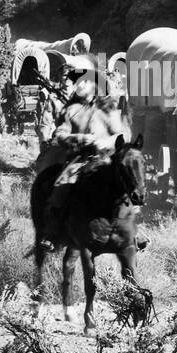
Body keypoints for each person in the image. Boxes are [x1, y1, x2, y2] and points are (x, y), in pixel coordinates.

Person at [39, 69, 123, 251]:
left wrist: (106, 141)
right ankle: (53, 233)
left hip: (106, 158)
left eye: (83, 82)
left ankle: (131, 232)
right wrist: (80, 139)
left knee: (125, 183)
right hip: (80, 159)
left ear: (93, 85)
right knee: (62, 185)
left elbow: (121, 134)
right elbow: (59, 135)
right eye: (77, 83)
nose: (79, 86)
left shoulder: (107, 108)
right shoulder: (71, 111)